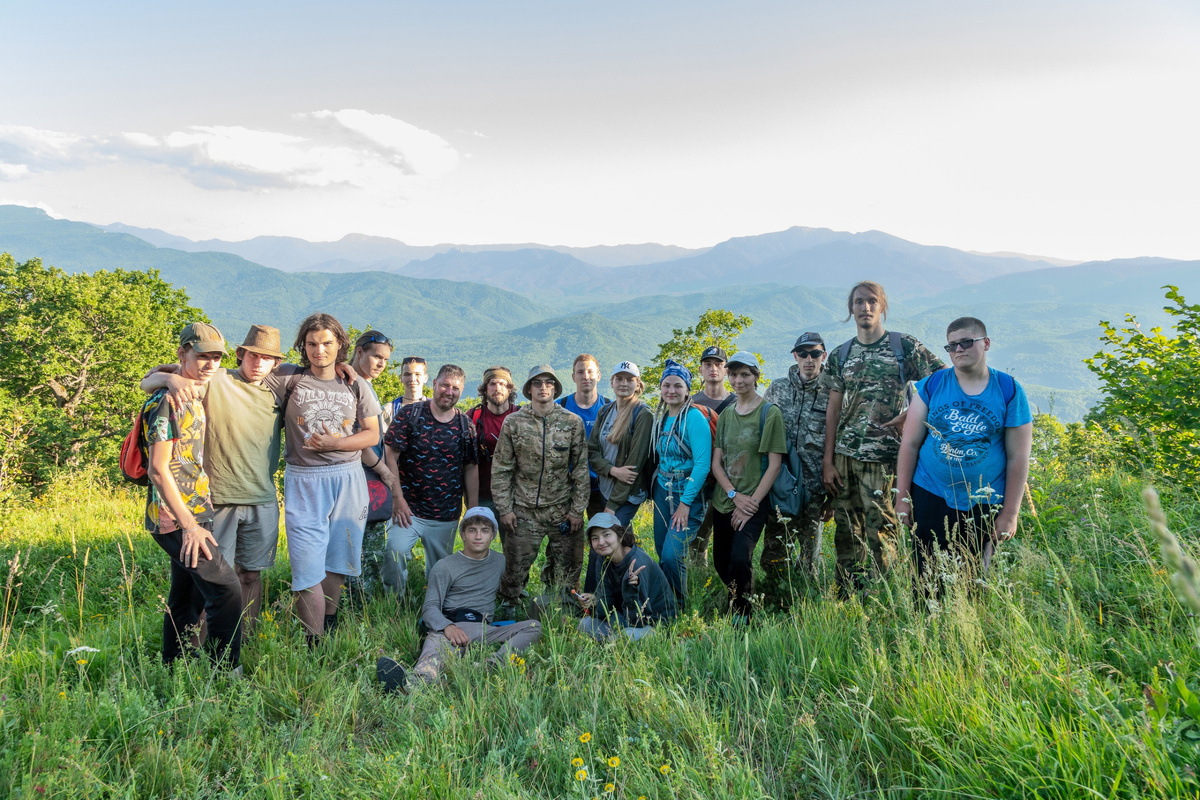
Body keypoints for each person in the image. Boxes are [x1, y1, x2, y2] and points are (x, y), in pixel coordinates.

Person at [139, 324, 288, 631]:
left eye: (267, 357)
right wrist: (170, 378)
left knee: (244, 577)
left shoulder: (279, 392)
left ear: (277, 363)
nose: (258, 362)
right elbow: (150, 380)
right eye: (252, 355)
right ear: (239, 354)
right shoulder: (211, 379)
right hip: (213, 502)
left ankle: (241, 640)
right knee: (218, 584)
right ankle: (213, 654)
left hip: (259, 499)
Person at [895, 317, 1033, 599]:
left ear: (986, 343)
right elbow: (909, 444)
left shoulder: (1009, 390)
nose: (959, 349)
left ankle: (965, 632)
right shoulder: (932, 385)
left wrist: (1010, 512)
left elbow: (1018, 456)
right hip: (930, 491)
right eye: (952, 345)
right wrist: (902, 498)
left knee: (973, 579)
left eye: (966, 342)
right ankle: (926, 634)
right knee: (925, 576)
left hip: (984, 500)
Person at [821, 281, 945, 595]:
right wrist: (828, 461)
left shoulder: (904, 347)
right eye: (859, 302)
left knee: (882, 534)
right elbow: (833, 408)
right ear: (851, 308)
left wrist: (911, 413)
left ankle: (881, 600)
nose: (865, 308)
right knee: (847, 533)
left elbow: (943, 381)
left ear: (882, 307)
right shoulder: (841, 354)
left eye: (872, 301)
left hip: (887, 459)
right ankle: (848, 598)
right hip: (847, 456)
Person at [271, 313, 381, 645]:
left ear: (340, 345)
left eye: (327, 344)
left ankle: (329, 626)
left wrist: (336, 443)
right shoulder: (287, 377)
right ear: (302, 346)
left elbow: (372, 435)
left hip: (347, 478)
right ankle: (312, 640)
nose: (320, 351)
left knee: (339, 559)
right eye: (312, 344)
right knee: (306, 566)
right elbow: (239, 376)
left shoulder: (354, 383)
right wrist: (169, 376)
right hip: (304, 478)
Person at [141, 322, 242, 669]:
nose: (210, 364)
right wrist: (189, 527)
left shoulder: (194, 389)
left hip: (197, 512)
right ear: (183, 353)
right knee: (226, 589)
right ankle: (225, 671)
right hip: (176, 519)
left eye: (216, 357)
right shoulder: (167, 402)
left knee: (188, 598)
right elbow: (158, 469)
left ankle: (174, 667)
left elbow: (151, 375)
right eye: (202, 356)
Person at [375, 507, 542, 693]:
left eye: (485, 531)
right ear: (462, 534)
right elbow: (430, 608)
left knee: (533, 626)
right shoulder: (445, 566)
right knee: (433, 656)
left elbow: (512, 585)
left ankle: (491, 665)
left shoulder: (500, 561)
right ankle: (411, 686)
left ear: (493, 535)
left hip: (484, 628)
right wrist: (447, 627)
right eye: (472, 530)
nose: (478, 536)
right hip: (450, 627)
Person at [492, 365, 590, 617]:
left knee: (567, 570)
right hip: (523, 511)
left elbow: (580, 470)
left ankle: (562, 613)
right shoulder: (514, 423)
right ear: (529, 389)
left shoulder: (572, 422)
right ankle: (508, 612)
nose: (543, 387)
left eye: (549, 382)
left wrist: (577, 511)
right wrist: (505, 509)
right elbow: (502, 468)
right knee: (514, 568)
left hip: (562, 511)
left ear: (556, 388)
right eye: (537, 383)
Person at [381, 364, 479, 599]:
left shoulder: (466, 426)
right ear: (434, 384)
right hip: (407, 509)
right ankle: (394, 605)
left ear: (461, 392)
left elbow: (470, 467)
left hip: (445, 513)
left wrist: (473, 509)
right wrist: (397, 498)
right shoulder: (410, 414)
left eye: (455, 388)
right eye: (445, 384)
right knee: (395, 552)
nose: (449, 391)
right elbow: (390, 454)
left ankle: (432, 610)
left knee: (439, 570)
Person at [709, 351, 787, 620]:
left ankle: (742, 617)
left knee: (741, 558)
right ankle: (737, 599)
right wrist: (733, 494)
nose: (738, 380)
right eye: (733, 374)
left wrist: (750, 503)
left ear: (756, 377)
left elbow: (774, 465)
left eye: (745, 374)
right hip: (724, 500)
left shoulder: (769, 414)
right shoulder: (728, 414)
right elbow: (716, 463)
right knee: (721, 561)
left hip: (754, 499)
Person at [760, 332, 831, 593]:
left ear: (824, 355)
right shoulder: (777, 388)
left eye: (815, 353)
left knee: (810, 551)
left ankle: (807, 601)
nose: (809, 359)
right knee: (776, 546)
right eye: (803, 354)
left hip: (815, 486)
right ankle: (775, 595)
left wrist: (834, 495)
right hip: (781, 484)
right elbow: (762, 433)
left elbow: (840, 442)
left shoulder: (833, 392)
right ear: (795, 356)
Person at [649, 360, 712, 605]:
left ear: (688, 390)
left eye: (677, 385)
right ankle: (664, 604)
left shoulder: (694, 418)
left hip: (688, 496)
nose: (671, 391)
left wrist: (685, 504)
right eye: (666, 385)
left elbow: (702, 464)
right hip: (663, 492)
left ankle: (678, 608)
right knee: (661, 552)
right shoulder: (662, 418)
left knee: (672, 555)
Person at [349, 330, 399, 598]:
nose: (381, 363)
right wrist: (385, 472)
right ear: (359, 352)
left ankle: (361, 608)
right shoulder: (352, 384)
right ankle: (356, 609)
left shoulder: (364, 384)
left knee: (369, 551)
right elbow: (357, 439)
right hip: (360, 481)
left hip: (369, 482)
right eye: (376, 357)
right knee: (363, 552)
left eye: (386, 359)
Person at [576, 513, 677, 641]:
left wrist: (631, 588)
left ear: (620, 535)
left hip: (653, 623)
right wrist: (594, 602)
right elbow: (605, 609)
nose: (601, 542)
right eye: (595, 538)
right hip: (622, 616)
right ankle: (611, 637)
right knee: (584, 625)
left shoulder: (638, 563)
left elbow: (638, 619)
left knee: (622, 638)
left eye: (606, 534)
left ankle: (614, 639)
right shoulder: (602, 560)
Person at [588, 361, 652, 525]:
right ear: (611, 382)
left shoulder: (642, 415)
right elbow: (592, 451)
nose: (624, 383)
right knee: (619, 543)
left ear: (637, 384)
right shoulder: (605, 411)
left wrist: (612, 506)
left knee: (607, 538)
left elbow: (633, 467)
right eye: (619, 379)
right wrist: (612, 470)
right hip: (605, 488)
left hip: (626, 494)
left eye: (630, 380)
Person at [688, 345, 735, 563]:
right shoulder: (690, 403)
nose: (713, 368)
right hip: (699, 477)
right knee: (698, 533)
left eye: (718, 364)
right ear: (700, 370)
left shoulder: (737, 402)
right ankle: (698, 577)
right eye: (708, 364)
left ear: (726, 370)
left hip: (729, 478)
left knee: (728, 534)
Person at [559, 354, 610, 519]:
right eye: (580, 372)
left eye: (590, 371)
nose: (586, 376)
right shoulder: (560, 407)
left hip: (602, 486)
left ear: (599, 376)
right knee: (568, 539)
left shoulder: (610, 408)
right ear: (573, 377)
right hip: (569, 488)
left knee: (610, 536)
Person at [469, 366, 520, 517]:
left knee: (513, 541)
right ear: (485, 389)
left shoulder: (522, 416)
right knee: (479, 540)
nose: (497, 388)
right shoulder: (473, 417)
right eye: (492, 384)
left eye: (502, 384)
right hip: (482, 495)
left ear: (510, 389)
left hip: (515, 497)